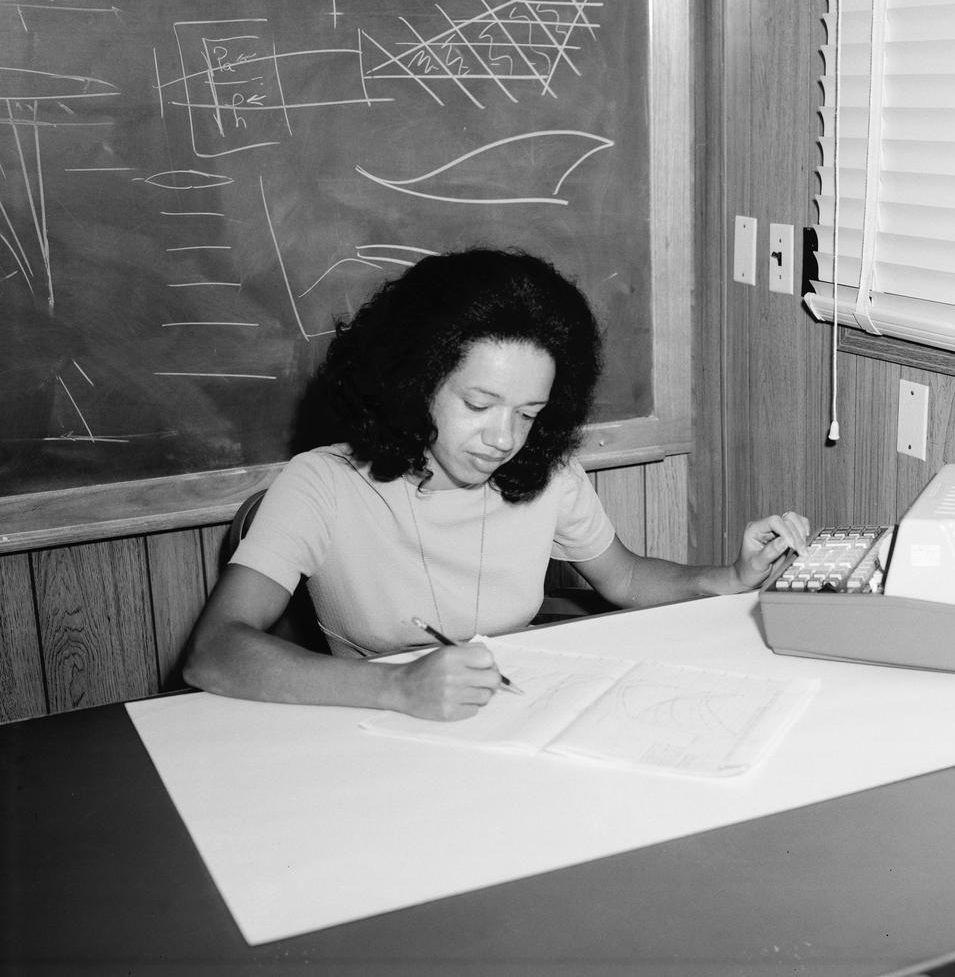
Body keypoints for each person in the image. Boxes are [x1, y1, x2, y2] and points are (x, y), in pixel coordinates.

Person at [183, 248, 810, 721]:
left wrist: (729, 577)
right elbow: (214, 650)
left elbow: (626, 579)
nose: (504, 439)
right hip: (374, 730)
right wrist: (397, 687)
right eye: (478, 404)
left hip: (518, 720)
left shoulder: (547, 474)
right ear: (414, 382)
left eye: (529, 413)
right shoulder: (322, 484)